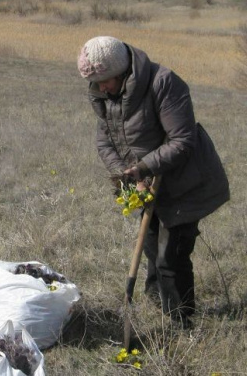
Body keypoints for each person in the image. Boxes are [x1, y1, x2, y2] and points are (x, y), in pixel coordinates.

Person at [77, 36, 230, 328]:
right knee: (150, 245)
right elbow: (104, 141)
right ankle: (155, 299)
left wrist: (143, 167)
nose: (100, 88)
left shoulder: (164, 83)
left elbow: (183, 139)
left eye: (105, 80)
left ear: (121, 71)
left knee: (170, 257)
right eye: (95, 83)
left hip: (185, 182)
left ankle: (180, 321)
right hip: (146, 184)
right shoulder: (106, 95)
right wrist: (127, 173)